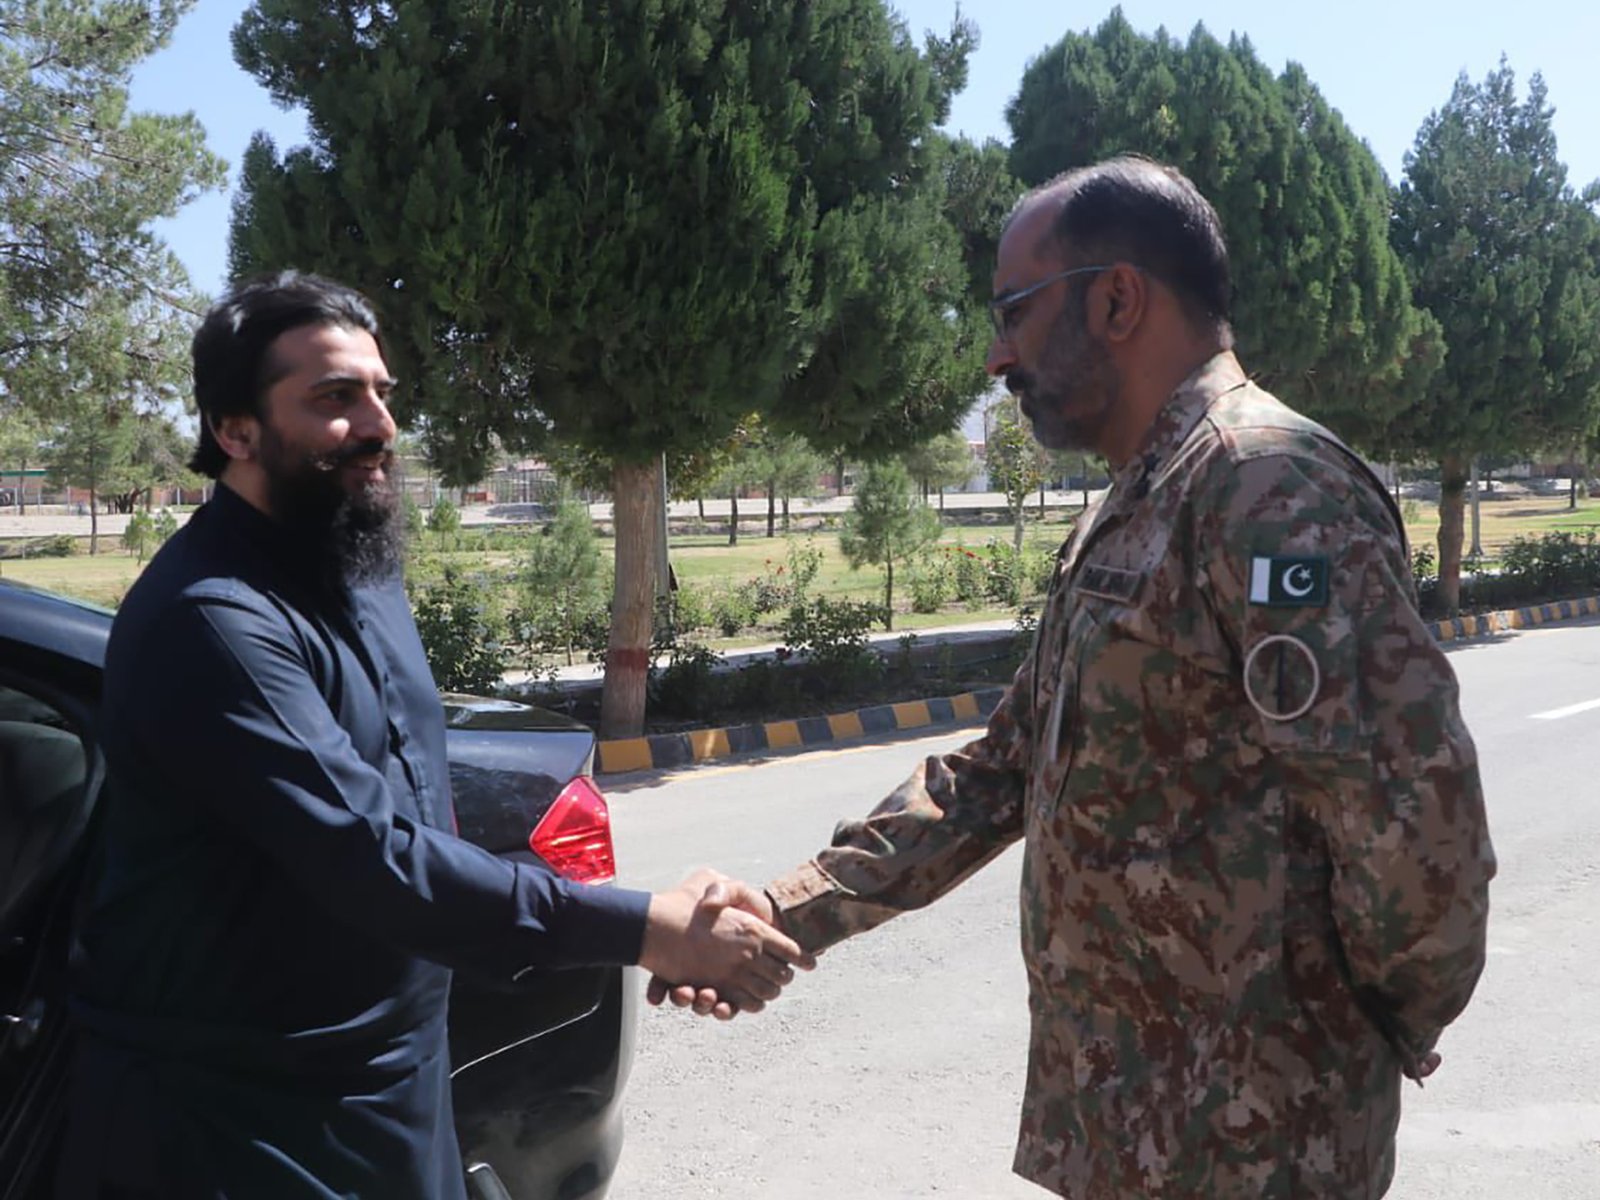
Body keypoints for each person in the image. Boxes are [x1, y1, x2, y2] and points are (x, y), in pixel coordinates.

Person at [652, 157, 1496, 1198]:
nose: (999, 354)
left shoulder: (1267, 486)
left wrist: (1364, 1031)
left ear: (1116, 298)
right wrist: (784, 910)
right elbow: (1002, 770)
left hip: (1258, 1142)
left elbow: (1414, 825)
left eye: (1014, 309)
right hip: (1123, 1127)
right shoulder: (1138, 501)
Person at [57, 271, 811, 1200]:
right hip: (241, 1117)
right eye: (333, 398)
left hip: (396, 1084)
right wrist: (651, 929)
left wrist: (674, 930)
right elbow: (377, 859)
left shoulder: (355, 563)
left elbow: (418, 804)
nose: (377, 424)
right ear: (234, 428)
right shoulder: (212, 622)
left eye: (381, 393)